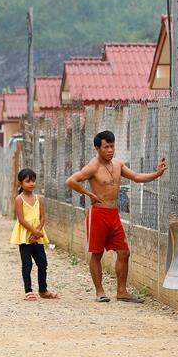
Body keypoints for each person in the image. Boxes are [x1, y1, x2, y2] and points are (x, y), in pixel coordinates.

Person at [66, 130, 166, 303]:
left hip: (113, 214)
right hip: (98, 214)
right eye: (106, 147)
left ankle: (122, 292)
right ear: (97, 148)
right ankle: (100, 292)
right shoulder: (93, 166)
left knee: (124, 252)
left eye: (112, 146)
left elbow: (136, 177)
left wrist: (156, 174)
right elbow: (71, 181)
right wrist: (88, 193)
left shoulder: (118, 164)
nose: (110, 150)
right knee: (96, 254)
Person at [11, 168, 58, 301]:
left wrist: (37, 233)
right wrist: (33, 232)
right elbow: (21, 219)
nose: (31, 184)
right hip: (25, 236)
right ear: (21, 183)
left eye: (33, 181)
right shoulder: (19, 199)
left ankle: (43, 290)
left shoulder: (39, 199)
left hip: (38, 235)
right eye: (28, 181)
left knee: (42, 263)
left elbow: (43, 217)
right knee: (27, 263)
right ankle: (28, 291)